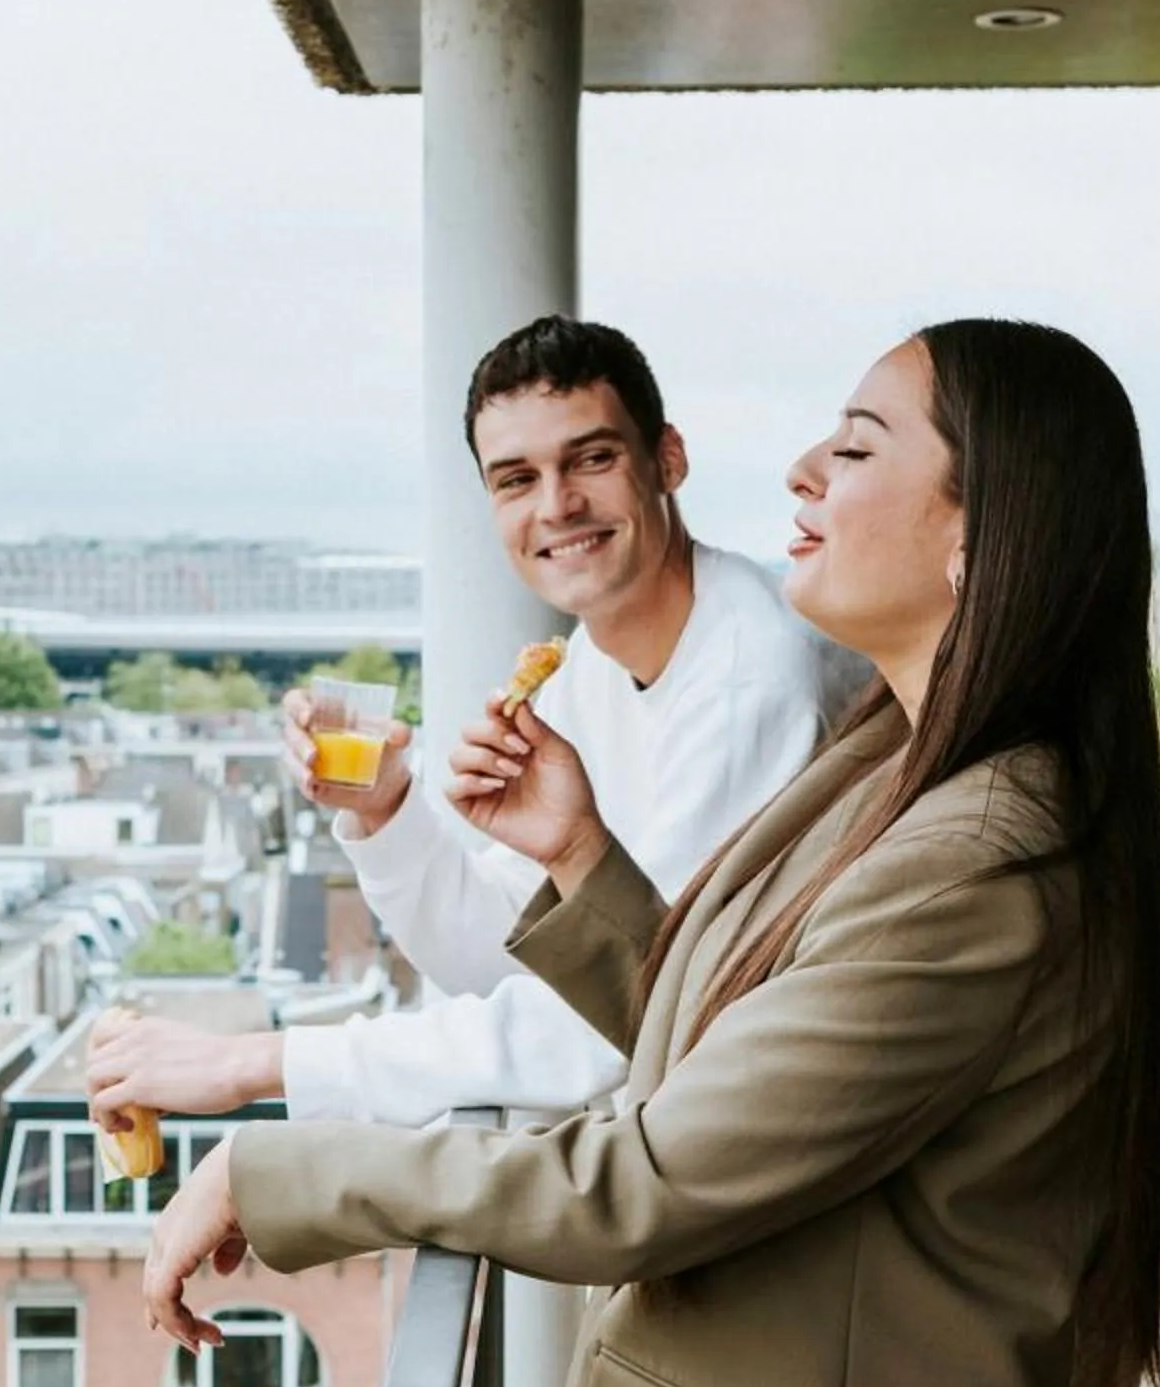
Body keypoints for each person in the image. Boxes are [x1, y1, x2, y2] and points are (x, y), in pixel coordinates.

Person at [117, 320, 1160, 1387]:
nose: (804, 468)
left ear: (978, 535)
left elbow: (657, 1174)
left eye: (860, 445)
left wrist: (283, 1158)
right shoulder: (899, 763)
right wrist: (579, 856)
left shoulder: (973, 850)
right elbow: (752, 1050)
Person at [87, 313, 871, 1131]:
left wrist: (256, 1061)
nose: (558, 505)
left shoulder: (750, 679)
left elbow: (614, 1020)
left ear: (666, 459)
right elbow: (499, 957)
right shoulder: (590, 665)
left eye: (591, 459)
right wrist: (384, 809)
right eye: (516, 479)